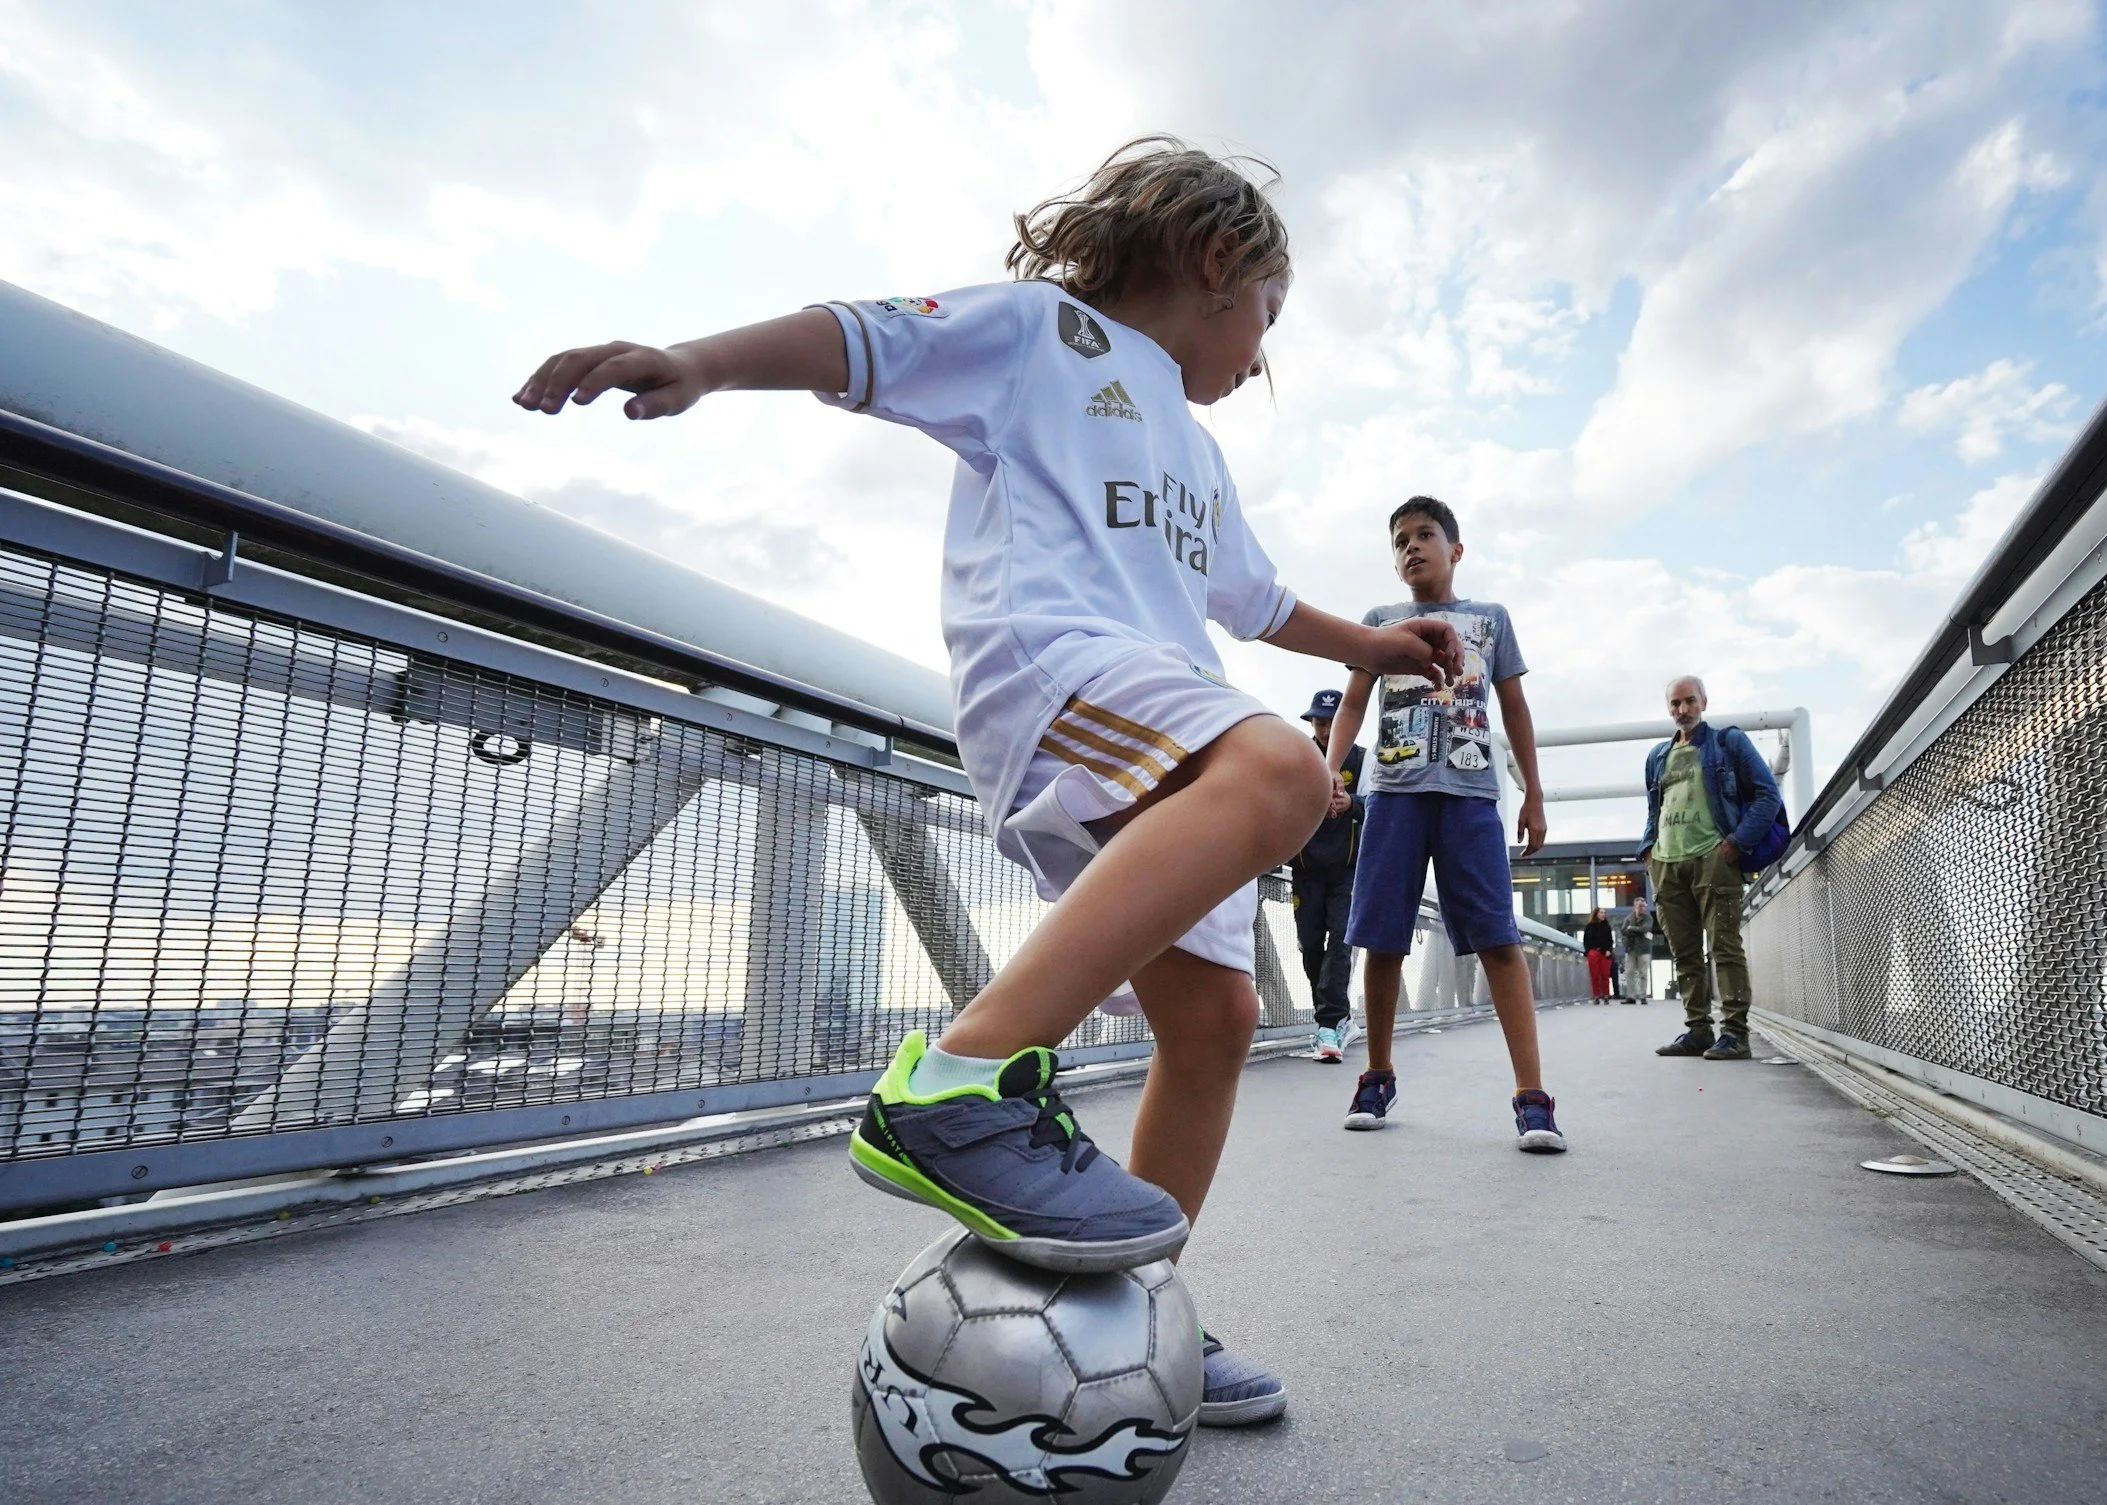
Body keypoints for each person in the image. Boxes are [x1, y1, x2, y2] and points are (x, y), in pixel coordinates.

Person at [515, 138, 1465, 1426]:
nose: (1262, 355)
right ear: (1217, 259)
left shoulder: (1196, 452)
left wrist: (1372, 645)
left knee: (1216, 1022)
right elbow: (859, 340)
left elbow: (1251, 601)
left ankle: (1133, 1307)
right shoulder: (1042, 339)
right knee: (1281, 768)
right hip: (1057, 667)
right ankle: (953, 1084)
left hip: (1154, 700)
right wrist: (701, 362)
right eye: (1267, 321)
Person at [1327, 495, 1563, 1154]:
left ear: (1456, 550)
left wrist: (1534, 793)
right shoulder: (1379, 624)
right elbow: (1351, 704)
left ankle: (1533, 1097)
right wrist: (1332, 770)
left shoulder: (1489, 620)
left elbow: (1515, 708)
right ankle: (1376, 1075)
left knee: (1498, 939)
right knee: (1381, 938)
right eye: (1400, 539)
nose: (1412, 547)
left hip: (1470, 797)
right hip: (1394, 794)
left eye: (1425, 535)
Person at [1639, 676, 1782, 1061]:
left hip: (1713, 858)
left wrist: (1735, 845)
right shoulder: (1657, 756)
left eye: (1689, 701)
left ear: (1703, 701)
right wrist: (1648, 851)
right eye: (1675, 704)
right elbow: (1656, 810)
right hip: (1667, 862)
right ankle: (1698, 1030)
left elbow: (1768, 794)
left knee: (1724, 947)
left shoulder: (1727, 743)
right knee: (1684, 953)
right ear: (1668, 708)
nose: (1682, 710)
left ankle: (1735, 1033)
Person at [1289, 688, 1364, 1061]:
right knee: (1309, 944)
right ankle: (1338, 1018)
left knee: (1341, 943)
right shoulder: (1297, 758)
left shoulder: (1366, 761)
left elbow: (1381, 806)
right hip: (1305, 869)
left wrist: (1352, 803)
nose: (1324, 729)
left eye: (1331, 722)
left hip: (1349, 870)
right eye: (1319, 722)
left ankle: (1328, 1024)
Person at [1618, 895, 1659, 1004]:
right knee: (1630, 972)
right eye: (1640, 906)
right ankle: (1631, 996)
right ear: (1634, 906)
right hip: (1631, 949)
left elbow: (1645, 928)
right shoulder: (1629, 918)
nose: (1642, 908)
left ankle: (1642, 996)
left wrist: (1631, 928)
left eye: (1643, 906)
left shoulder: (1648, 918)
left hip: (1644, 949)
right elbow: (1623, 930)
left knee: (1643, 973)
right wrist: (1637, 931)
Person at [1579, 906, 1614, 1002]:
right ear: (1596, 914)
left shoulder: (1607, 926)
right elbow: (1586, 941)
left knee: (1605, 974)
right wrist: (1589, 951)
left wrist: (1609, 950)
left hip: (1605, 953)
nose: (1603, 914)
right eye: (1601, 912)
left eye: (1604, 912)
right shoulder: (1589, 926)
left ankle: (1606, 994)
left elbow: (1610, 940)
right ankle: (1596, 995)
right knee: (1595, 975)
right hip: (1594, 952)